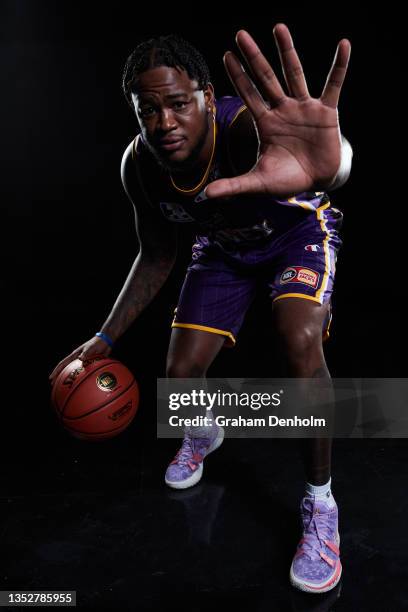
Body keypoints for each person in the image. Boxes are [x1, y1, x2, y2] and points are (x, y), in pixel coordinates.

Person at [49, 24, 352, 593]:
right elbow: (158, 252)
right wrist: (106, 338)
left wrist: (336, 166)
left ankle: (320, 503)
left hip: (293, 235)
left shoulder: (244, 128)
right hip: (226, 250)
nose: (165, 123)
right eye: (148, 110)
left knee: (298, 340)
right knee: (182, 373)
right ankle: (204, 433)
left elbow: (327, 162)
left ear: (208, 98)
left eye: (179, 104)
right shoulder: (139, 165)